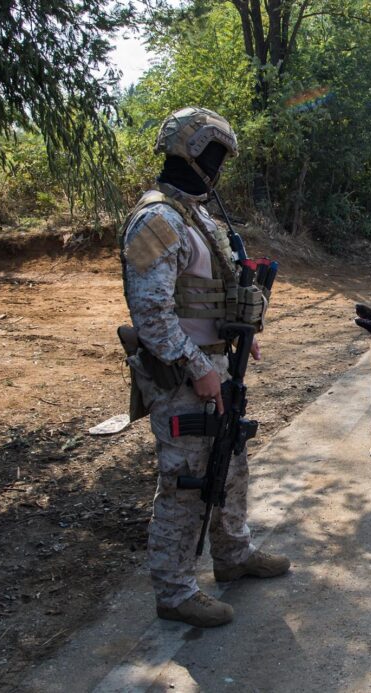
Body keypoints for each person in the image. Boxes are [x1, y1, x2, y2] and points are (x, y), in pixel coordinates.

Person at [119, 107, 289, 628]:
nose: (219, 169)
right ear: (193, 154)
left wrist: (238, 333)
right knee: (186, 480)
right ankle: (174, 590)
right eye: (215, 156)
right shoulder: (157, 220)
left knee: (230, 463)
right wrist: (198, 368)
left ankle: (233, 556)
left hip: (216, 364)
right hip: (181, 375)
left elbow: (213, 291)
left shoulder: (196, 216)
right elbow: (151, 315)